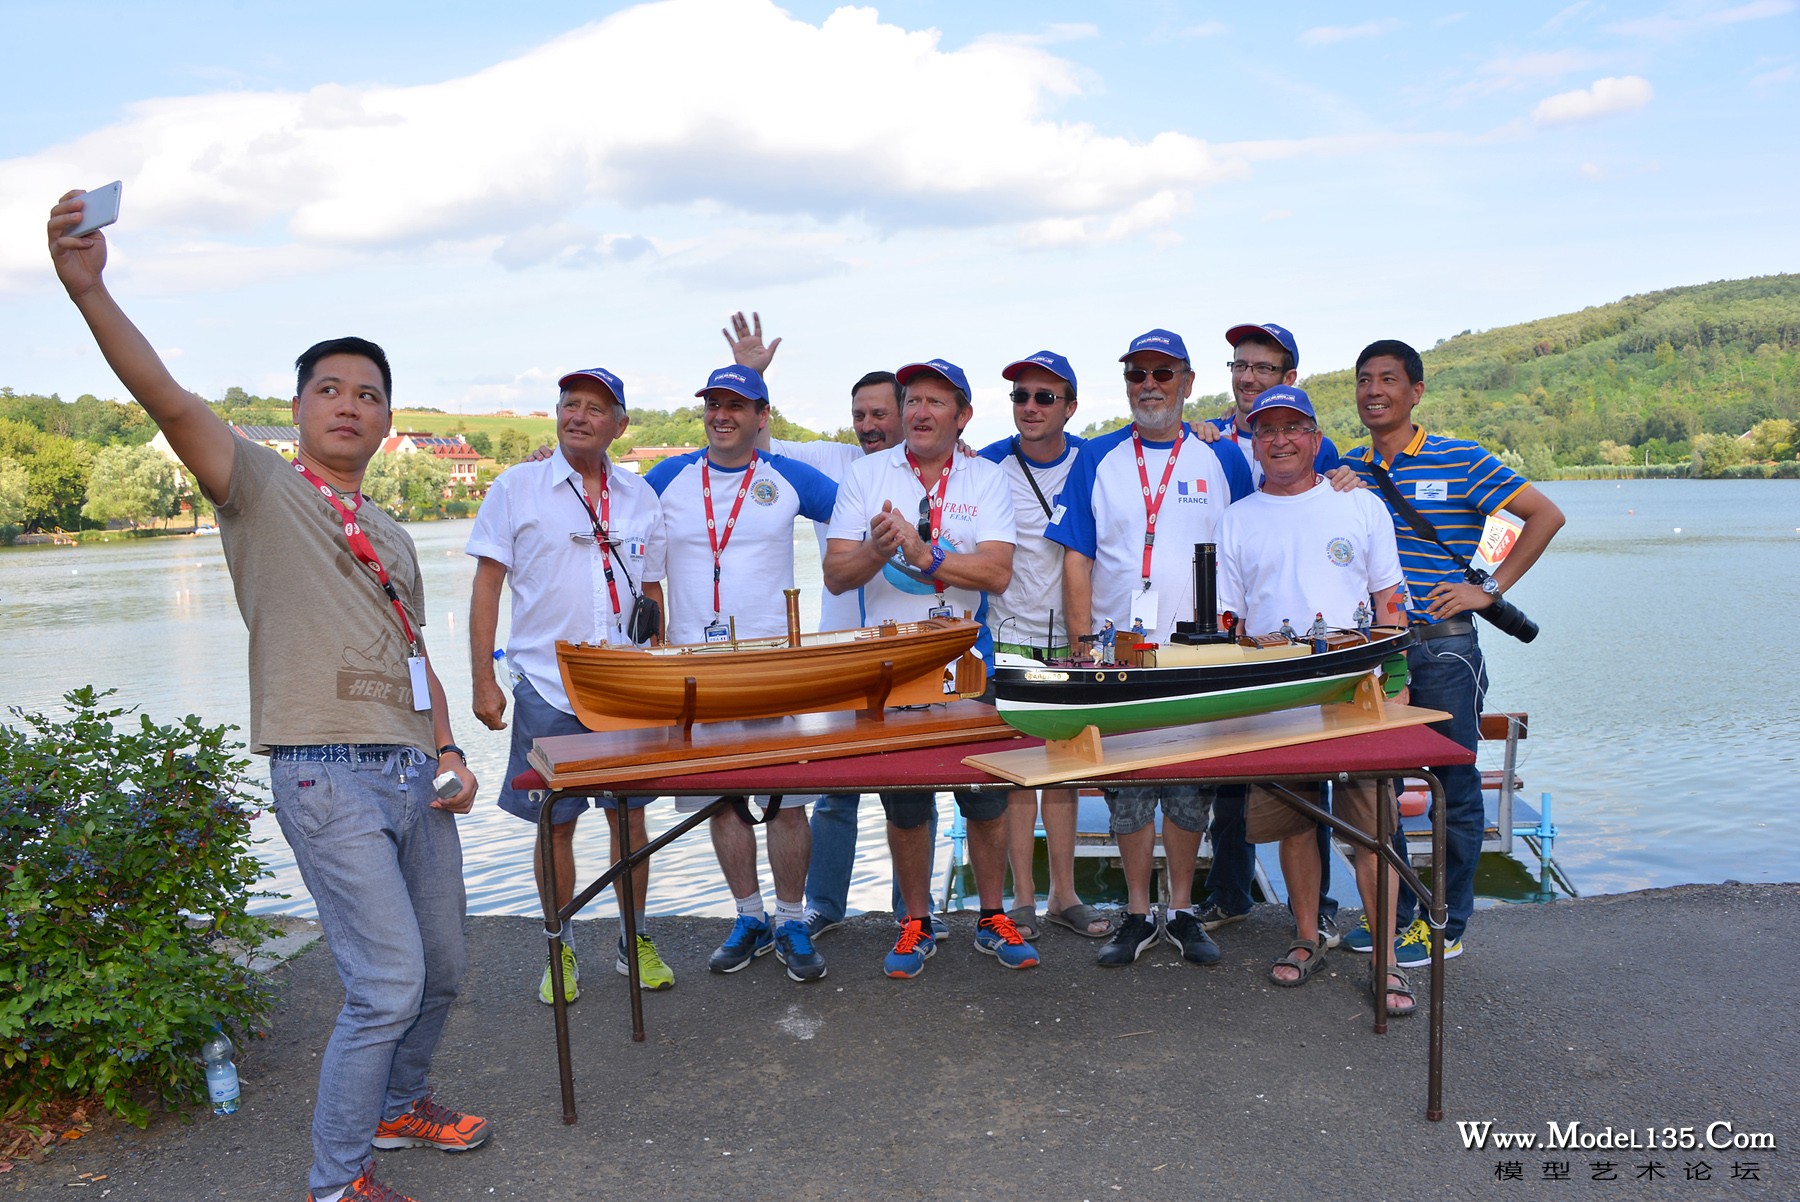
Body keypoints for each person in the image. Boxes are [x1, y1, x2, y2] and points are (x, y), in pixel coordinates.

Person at [49, 190, 487, 1202]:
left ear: (386, 416)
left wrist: (453, 749)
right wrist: (89, 290)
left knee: (445, 966)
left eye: (367, 392)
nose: (348, 403)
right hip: (327, 772)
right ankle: (337, 1181)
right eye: (328, 387)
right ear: (297, 408)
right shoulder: (257, 486)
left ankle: (398, 1104)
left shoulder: (394, 527)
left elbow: (413, 646)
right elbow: (163, 395)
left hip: (416, 771)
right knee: (386, 982)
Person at [1336, 339, 1565, 967]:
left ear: (1416, 391)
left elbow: (1544, 515)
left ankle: (1446, 923)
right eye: (1363, 380)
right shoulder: (1348, 470)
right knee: (1376, 787)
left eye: (1388, 379)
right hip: (1376, 654)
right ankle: (1398, 913)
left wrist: (1485, 588)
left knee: (1453, 785)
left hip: (1443, 651)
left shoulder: (1459, 458)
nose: (1374, 391)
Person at [720, 313, 938, 940]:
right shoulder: (829, 462)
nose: (868, 426)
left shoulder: (940, 467)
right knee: (834, 791)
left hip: (910, 652)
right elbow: (749, 453)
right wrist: (749, 377)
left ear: (906, 415)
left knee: (910, 789)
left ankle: (912, 913)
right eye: (860, 415)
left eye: (880, 415)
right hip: (839, 652)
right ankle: (823, 907)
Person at [1045, 329, 1253, 969]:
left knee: (1190, 789)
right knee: (1129, 789)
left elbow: (1255, 537)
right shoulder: (1097, 458)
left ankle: (1184, 910)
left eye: (1163, 374)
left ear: (1188, 382)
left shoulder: (1225, 459)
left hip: (1198, 650)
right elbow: (1076, 557)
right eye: (1138, 374)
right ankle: (1138, 914)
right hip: (1119, 653)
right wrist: (1083, 645)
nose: (1150, 386)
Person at [466, 366, 674, 1005]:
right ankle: (560, 947)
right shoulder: (517, 487)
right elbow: (487, 586)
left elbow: (655, 591)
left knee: (629, 820)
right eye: (569, 404)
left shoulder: (640, 497)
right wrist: (482, 680)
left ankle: (632, 939)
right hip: (545, 687)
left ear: (620, 425)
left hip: (625, 689)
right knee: (554, 821)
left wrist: (660, 670)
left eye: (594, 407)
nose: (578, 415)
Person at [823, 358, 1036, 977]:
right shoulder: (866, 475)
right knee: (907, 805)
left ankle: (993, 916)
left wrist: (927, 554)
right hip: (893, 666)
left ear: (963, 416)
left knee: (986, 797)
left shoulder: (987, 478)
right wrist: (877, 548)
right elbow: (838, 576)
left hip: (969, 661)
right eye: (912, 400)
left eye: (936, 403)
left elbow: (997, 572)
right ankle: (916, 921)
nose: (920, 412)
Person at [1215, 385, 1414, 1016]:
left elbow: (1390, 603)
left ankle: (1385, 961)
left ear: (1315, 434)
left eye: (1293, 428)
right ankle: (1307, 936)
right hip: (1277, 692)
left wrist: (1398, 685)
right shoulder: (1238, 516)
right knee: (1295, 826)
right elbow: (1229, 620)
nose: (1279, 440)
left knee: (1370, 831)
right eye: (1266, 428)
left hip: (1357, 688)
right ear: (1252, 438)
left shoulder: (1358, 505)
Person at [645, 364, 839, 982]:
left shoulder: (787, 477)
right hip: (694, 667)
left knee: (785, 800)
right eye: (714, 404)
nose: (722, 415)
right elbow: (600, 495)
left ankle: (790, 918)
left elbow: (859, 498)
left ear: (762, 417)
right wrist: (554, 463)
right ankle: (749, 915)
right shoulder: (667, 477)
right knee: (722, 798)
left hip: (774, 665)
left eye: (738, 405)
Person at [1196, 322, 1345, 942]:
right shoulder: (1205, 438)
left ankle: (1320, 908)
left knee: (1315, 782)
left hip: (1310, 645)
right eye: (1239, 365)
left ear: (1289, 378)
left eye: (1262, 368)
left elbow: (1334, 507)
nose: (1248, 377)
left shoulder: (1322, 446)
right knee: (1230, 776)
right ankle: (1228, 892)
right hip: (1235, 625)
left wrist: (1350, 480)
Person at [976, 351, 1110, 939]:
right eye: (1021, 397)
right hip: (1008, 637)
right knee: (1017, 773)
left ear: (1070, 407)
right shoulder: (984, 465)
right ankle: (1022, 900)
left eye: (1044, 397)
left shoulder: (1096, 460)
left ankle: (1064, 893)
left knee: (1066, 770)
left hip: (1074, 643)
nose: (1030, 407)